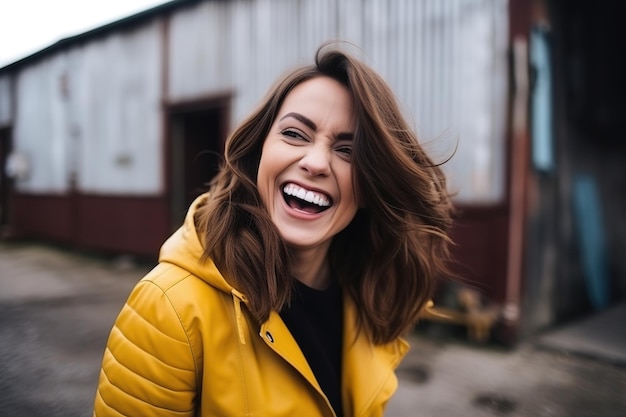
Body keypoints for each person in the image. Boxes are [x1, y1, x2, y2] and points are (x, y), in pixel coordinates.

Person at [92, 42, 454, 417]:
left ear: (370, 187)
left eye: (348, 151)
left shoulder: (369, 300)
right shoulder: (169, 308)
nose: (315, 162)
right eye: (295, 134)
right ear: (259, 153)